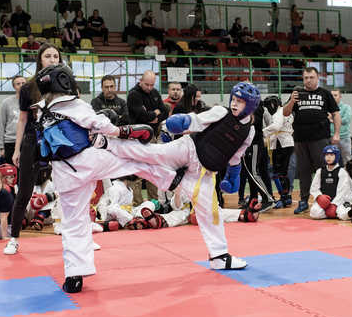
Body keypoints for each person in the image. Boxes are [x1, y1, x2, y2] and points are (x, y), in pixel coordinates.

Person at [32, 65, 180, 293]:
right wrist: (122, 132)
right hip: (89, 160)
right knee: (130, 163)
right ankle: (169, 179)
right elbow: (101, 125)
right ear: (65, 82)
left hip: (63, 171)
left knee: (73, 223)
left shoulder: (40, 111)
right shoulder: (75, 104)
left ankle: (74, 276)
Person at [98, 81, 262, 273]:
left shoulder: (249, 132)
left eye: (240, 102)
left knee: (211, 212)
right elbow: (197, 121)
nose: (234, 104)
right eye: (233, 99)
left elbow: (236, 156)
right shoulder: (221, 112)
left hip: (205, 173)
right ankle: (107, 143)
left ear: (250, 106)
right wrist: (180, 123)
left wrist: (233, 176)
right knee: (152, 153)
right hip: (189, 149)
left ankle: (219, 256)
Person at [3, 44, 62, 255]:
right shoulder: (29, 87)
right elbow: (22, 119)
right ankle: (14, 238)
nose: (52, 59)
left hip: (60, 141)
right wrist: (16, 150)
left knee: (72, 188)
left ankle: (79, 236)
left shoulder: (66, 84)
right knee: (25, 191)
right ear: (40, 60)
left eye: (56, 56)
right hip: (32, 140)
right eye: (48, 56)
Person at [283, 67, 341, 213]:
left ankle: (327, 199)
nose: (308, 80)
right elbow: (285, 113)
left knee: (323, 169)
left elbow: (335, 114)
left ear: (317, 78)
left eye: (311, 77)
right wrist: (291, 101)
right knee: (303, 171)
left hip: (320, 138)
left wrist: (337, 134)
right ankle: (303, 201)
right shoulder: (297, 93)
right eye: (306, 78)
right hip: (300, 139)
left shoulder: (325, 93)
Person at [126, 70, 170, 205]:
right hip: (138, 136)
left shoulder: (155, 93)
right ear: (140, 81)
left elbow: (165, 111)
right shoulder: (134, 95)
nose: (149, 88)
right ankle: (137, 203)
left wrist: (153, 116)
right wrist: (153, 114)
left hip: (154, 134)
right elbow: (142, 115)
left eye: (152, 85)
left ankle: (154, 202)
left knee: (153, 170)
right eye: (147, 85)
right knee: (138, 171)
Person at [263, 95, 294, 209]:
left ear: (272, 104)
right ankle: (285, 197)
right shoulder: (286, 112)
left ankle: (284, 197)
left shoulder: (279, 112)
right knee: (281, 172)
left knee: (279, 172)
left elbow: (276, 127)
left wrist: (262, 133)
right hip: (284, 142)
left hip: (282, 143)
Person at [309, 145, 352, 220]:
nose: (328, 157)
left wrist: (334, 204)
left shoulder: (342, 172)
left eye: (331, 155)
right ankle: (329, 213)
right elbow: (314, 188)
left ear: (336, 156)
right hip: (324, 202)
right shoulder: (320, 171)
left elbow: (342, 191)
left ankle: (340, 210)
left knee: (343, 215)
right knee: (314, 213)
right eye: (326, 155)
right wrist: (319, 197)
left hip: (339, 201)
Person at [0, 75, 27, 165]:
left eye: (23, 83)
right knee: (12, 172)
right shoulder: (6, 103)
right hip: (10, 142)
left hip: (26, 141)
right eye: (18, 84)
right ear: (14, 87)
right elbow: (1, 125)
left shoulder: (32, 101)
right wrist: (1, 147)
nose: (21, 85)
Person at [330, 89, 352, 164]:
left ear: (340, 97)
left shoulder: (346, 107)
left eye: (335, 95)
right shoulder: (327, 108)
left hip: (344, 137)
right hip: (331, 138)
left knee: (347, 160)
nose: (333, 97)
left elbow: (346, 120)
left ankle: (348, 175)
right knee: (332, 160)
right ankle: (334, 175)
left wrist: (332, 119)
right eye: (332, 95)